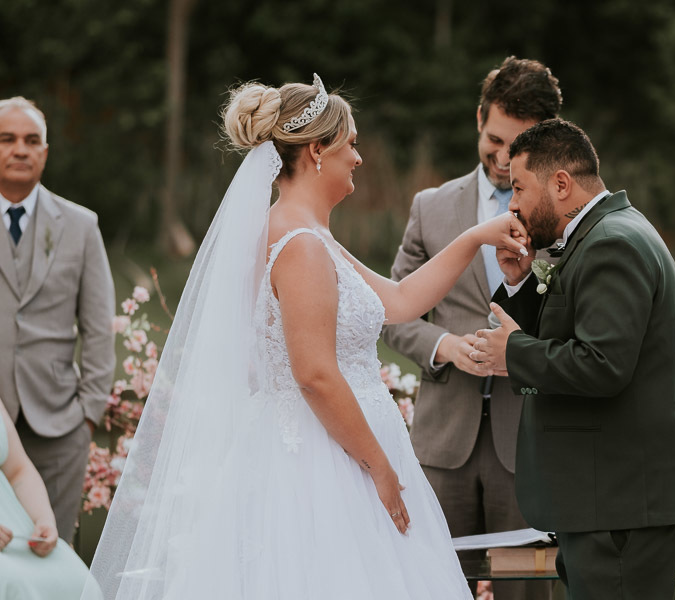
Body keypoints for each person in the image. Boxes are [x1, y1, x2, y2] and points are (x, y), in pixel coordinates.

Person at [87, 75, 530, 600]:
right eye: (351, 145)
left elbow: (401, 301)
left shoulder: (308, 234)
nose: (359, 159)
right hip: (325, 463)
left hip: (338, 448)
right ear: (318, 151)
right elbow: (315, 375)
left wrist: (477, 234)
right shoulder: (301, 245)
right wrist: (380, 467)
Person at [471, 119, 675, 600]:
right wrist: (521, 282)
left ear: (560, 183)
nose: (511, 204)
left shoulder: (612, 243)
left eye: (519, 187)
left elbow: (603, 364)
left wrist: (512, 353)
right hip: (605, 502)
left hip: (619, 504)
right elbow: (570, 332)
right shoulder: (598, 237)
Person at [382, 56, 560, 600]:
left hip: (526, 438)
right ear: (479, 117)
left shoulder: (563, 213)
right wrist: (443, 346)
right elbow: (392, 310)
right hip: (442, 441)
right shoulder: (430, 207)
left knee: (525, 590)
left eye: (520, 144)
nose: (505, 159)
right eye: (495, 139)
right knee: (433, 585)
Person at [0, 96, 115, 543]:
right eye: (7, 139)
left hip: (60, 427)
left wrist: (88, 416)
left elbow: (98, 327)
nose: (20, 149)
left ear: (45, 152)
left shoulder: (80, 226)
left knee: (52, 549)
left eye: (32, 140)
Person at [0, 399, 101, 599]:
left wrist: (43, 519)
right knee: (13, 582)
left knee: (77, 581)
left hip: (17, 534)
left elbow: (18, 471)